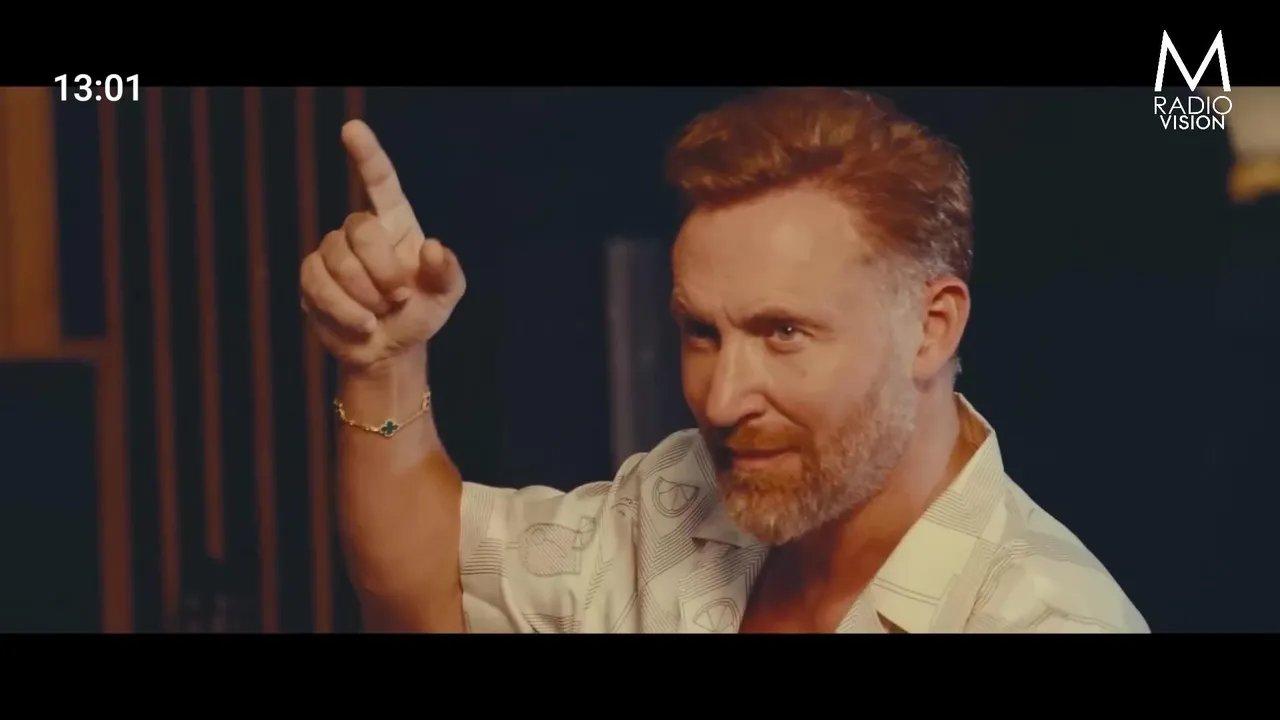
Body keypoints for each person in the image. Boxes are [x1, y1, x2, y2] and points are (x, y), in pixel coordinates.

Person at [299, 87, 1148, 633]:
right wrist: (383, 361)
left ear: (931, 328)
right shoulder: (679, 501)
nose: (722, 398)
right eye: (701, 332)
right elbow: (433, 589)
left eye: (783, 332)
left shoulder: (1041, 618)